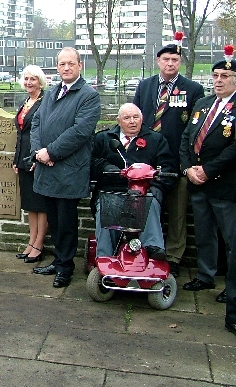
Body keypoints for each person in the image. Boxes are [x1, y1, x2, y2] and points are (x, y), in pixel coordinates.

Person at [30, 47, 101, 288]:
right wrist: (39, 153)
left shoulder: (89, 95)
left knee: (67, 222)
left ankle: (66, 267)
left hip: (69, 170)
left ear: (80, 65)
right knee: (55, 220)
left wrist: (51, 152)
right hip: (47, 168)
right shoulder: (51, 93)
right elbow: (37, 122)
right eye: (62, 64)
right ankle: (58, 261)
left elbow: (80, 131)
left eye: (71, 63)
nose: (66, 68)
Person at [133, 39, 204, 277]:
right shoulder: (145, 86)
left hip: (177, 160)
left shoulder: (193, 89)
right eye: (166, 59)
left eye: (175, 59)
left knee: (177, 211)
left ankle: (173, 256)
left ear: (180, 62)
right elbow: (134, 118)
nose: (170, 63)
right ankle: (141, 250)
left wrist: (187, 161)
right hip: (147, 158)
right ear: (158, 61)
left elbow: (194, 128)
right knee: (142, 205)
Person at [179, 51, 236, 311]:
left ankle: (232, 288)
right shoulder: (203, 104)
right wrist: (188, 168)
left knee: (230, 239)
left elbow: (233, 149)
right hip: (197, 181)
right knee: (204, 233)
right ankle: (205, 276)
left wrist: (208, 170)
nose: (219, 80)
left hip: (224, 184)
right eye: (215, 76)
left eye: (225, 76)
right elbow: (186, 138)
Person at [90, 103, 177, 259]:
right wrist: (107, 167)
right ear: (118, 120)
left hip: (144, 191)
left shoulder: (156, 140)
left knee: (150, 201)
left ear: (142, 118)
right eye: (127, 118)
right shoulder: (103, 138)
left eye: (136, 117)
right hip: (112, 191)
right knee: (105, 206)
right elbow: (91, 162)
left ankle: (153, 249)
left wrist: (157, 188)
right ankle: (105, 258)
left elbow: (168, 168)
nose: (132, 121)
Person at [13, 65, 48, 263]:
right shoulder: (26, 101)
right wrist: (16, 159)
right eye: (26, 79)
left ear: (40, 81)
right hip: (23, 160)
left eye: (33, 79)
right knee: (29, 204)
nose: (29, 82)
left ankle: (39, 244)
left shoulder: (45, 102)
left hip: (37, 160)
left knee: (40, 204)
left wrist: (37, 158)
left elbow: (45, 132)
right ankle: (31, 242)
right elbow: (20, 133)